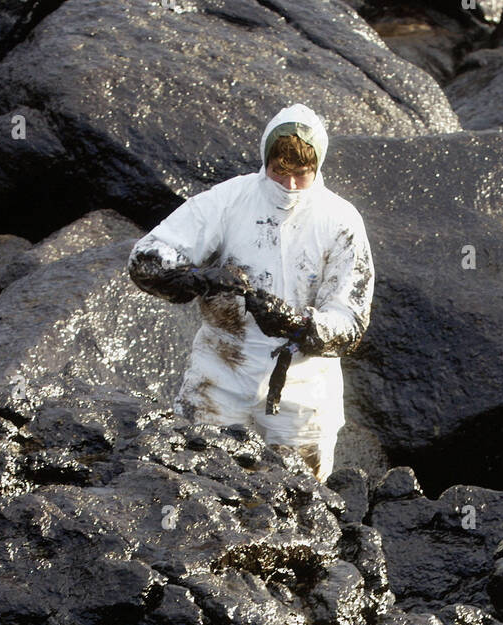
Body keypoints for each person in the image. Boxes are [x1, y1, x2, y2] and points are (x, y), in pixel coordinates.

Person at [126, 102, 374, 483]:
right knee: (193, 481)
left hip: (306, 384)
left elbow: (351, 320)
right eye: (281, 172)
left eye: (302, 175)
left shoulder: (340, 221)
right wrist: (201, 277)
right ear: (266, 161)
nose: (290, 186)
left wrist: (299, 324)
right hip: (221, 368)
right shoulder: (227, 200)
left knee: (303, 498)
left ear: (318, 168)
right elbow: (146, 260)